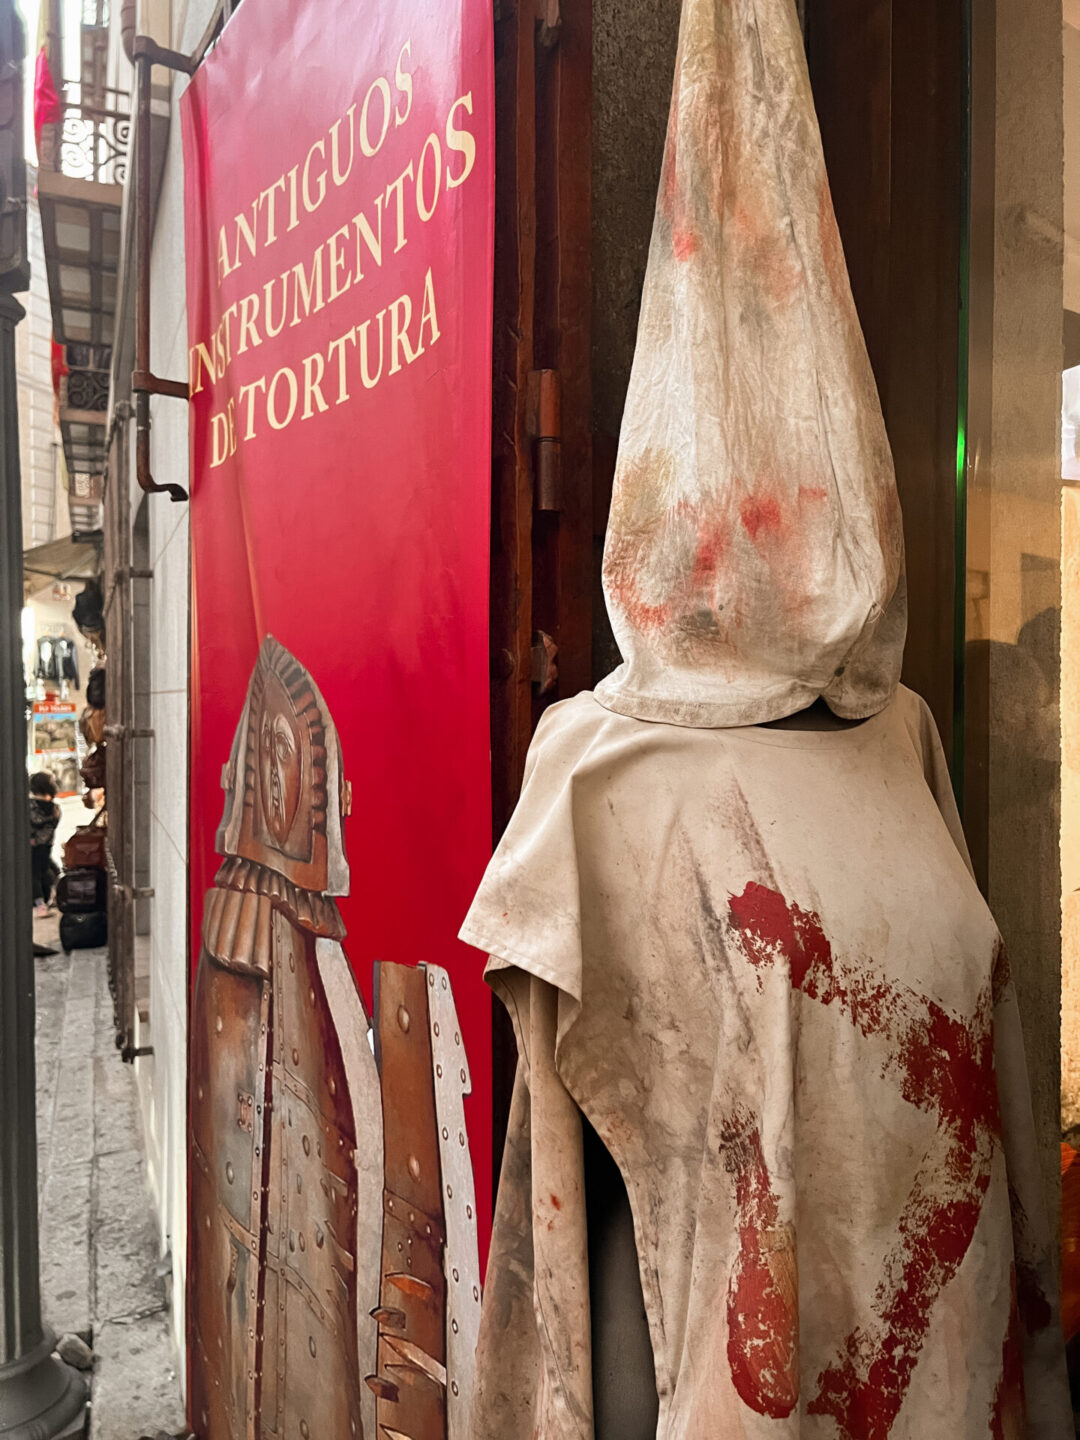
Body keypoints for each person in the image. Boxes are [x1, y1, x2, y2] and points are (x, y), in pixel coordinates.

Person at [29, 771, 60, 914]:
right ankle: (54, 893)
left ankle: (40, 905)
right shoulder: (55, 808)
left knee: (34, 874)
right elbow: (54, 824)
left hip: (33, 845)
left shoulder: (30, 806)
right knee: (48, 869)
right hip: (47, 844)